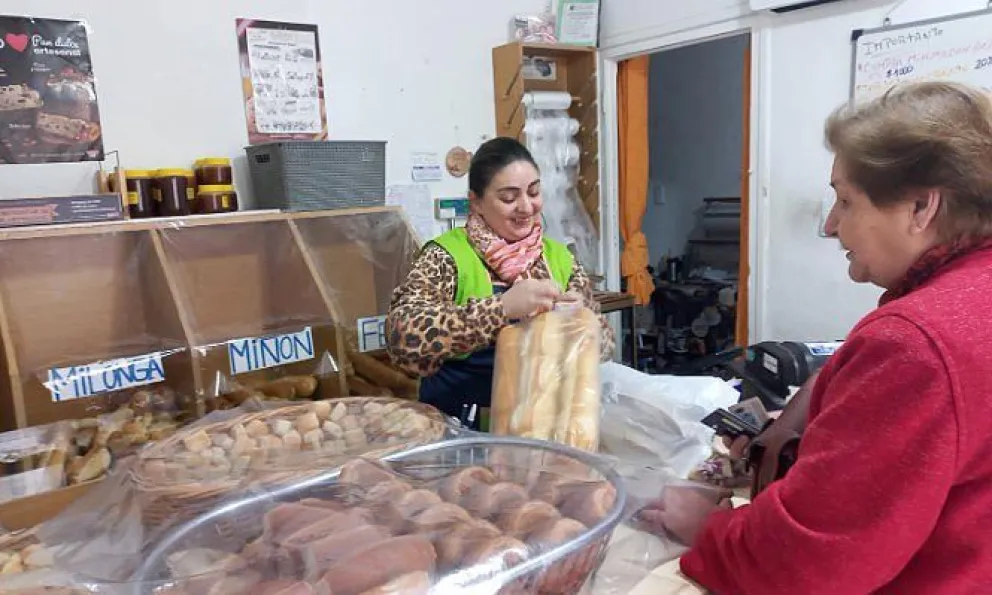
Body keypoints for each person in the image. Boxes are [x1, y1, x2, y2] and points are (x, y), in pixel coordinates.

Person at [641, 81, 992, 594]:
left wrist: (707, 528)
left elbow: (809, 563)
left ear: (922, 207)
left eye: (846, 202)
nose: (830, 226)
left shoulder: (916, 343)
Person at [386, 137, 614, 425]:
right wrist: (500, 309)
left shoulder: (559, 258)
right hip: (461, 430)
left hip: (544, 427)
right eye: (508, 197)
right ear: (476, 202)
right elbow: (402, 338)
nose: (526, 207)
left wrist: (582, 322)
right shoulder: (447, 257)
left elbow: (605, 346)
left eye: (534, 192)